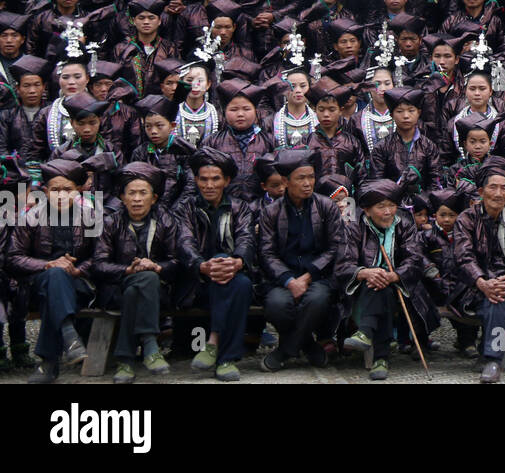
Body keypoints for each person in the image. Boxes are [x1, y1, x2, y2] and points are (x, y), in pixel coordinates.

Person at [92, 162, 183, 384]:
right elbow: (99, 264)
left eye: (143, 193)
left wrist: (158, 267)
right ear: (122, 197)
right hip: (116, 290)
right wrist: (126, 269)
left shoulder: (167, 221)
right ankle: (150, 345)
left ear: (154, 198)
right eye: (131, 193)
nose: (137, 199)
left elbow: (178, 261)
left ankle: (126, 361)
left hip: (158, 291)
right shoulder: (110, 223)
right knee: (139, 283)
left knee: (145, 281)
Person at [338, 178, 435, 381]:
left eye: (392, 205)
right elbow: (343, 263)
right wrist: (364, 272)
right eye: (381, 206)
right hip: (362, 287)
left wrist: (395, 275)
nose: (388, 212)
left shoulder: (404, 222)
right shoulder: (354, 225)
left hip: (401, 284)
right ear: (366, 210)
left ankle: (365, 333)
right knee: (377, 288)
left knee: (382, 288)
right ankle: (381, 358)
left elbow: (415, 257)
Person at [10, 159, 96, 384]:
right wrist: (46, 265)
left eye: (67, 190)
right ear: (45, 191)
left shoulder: (90, 218)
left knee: (56, 289)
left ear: (78, 190)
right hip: (37, 284)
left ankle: (49, 362)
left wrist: (78, 269)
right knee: (54, 278)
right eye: (55, 190)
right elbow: (14, 257)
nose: (60, 195)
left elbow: (101, 256)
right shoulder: (32, 217)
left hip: (79, 284)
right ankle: (69, 335)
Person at [173, 147, 255, 382]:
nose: (209, 185)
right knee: (228, 278)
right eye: (203, 179)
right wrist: (201, 265)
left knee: (241, 284)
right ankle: (222, 350)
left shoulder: (241, 208)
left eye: (215, 179)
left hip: (229, 276)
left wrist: (237, 261)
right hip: (195, 280)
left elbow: (246, 239)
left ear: (226, 180)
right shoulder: (185, 208)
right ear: (196, 180)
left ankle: (219, 350)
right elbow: (184, 241)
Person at [258, 149, 344, 372]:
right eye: (301, 178)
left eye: (311, 177)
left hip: (318, 277)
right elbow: (267, 253)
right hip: (283, 278)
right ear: (286, 182)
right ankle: (308, 345)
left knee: (317, 300)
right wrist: (288, 280)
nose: (308, 183)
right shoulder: (271, 212)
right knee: (276, 304)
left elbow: (335, 248)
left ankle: (285, 350)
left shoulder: (326, 206)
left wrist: (307, 277)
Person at [449, 157, 505, 383]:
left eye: (503, 188)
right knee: (494, 300)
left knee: (499, 298)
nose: (498, 193)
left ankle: (492, 359)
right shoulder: (466, 218)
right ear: (480, 191)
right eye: (492, 187)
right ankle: (493, 358)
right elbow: (463, 257)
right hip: (473, 286)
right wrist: (482, 282)